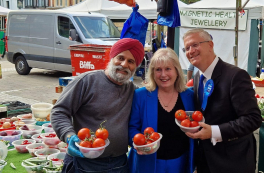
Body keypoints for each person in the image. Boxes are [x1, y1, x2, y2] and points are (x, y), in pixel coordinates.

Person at [51, 38, 145, 173]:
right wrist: (69, 135)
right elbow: (59, 111)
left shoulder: (134, 92)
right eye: (120, 58)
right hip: (83, 162)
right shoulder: (86, 81)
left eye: (131, 61)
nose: (124, 64)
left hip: (119, 164)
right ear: (111, 57)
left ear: (135, 67)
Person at [182, 28, 262, 173]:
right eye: (187, 48)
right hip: (205, 159)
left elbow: (253, 119)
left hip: (233, 161)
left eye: (195, 45)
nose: (190, 51)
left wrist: (214, 131)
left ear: (210, 45)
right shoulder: (196, 78)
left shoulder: (235, 76)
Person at [128, 48, 196, 173]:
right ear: (153, 73)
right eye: (158, 70)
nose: (163, 74)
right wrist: (138, 144)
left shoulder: (189, 96)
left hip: (181, 162)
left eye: (168, 69)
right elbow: (133, 127)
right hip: (147, 162)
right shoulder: (141, 95)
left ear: (177, 71)